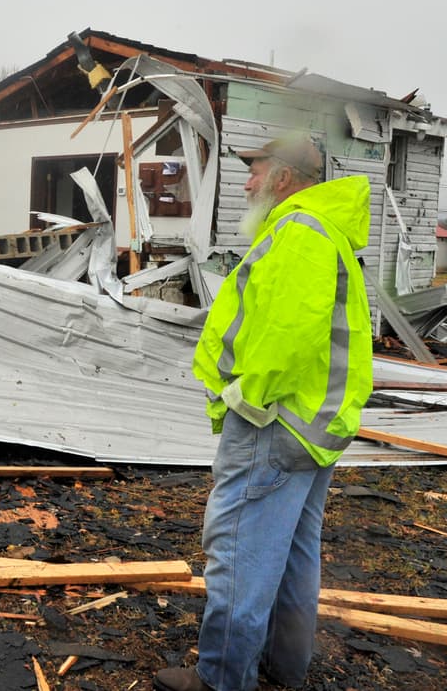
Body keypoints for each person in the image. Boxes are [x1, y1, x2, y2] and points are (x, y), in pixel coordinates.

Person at [154, 133, 374, 691]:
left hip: (273, 421)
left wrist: (247, 400)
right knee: (295, 552)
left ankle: (223, 678)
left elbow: (286, 332)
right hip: (311, 424)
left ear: (283, 176)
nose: (247, 183)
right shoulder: (325, 229)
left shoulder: (298, 230)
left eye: (254, 171)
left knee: (238, 550)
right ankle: (284, 666)